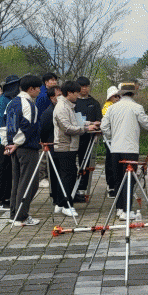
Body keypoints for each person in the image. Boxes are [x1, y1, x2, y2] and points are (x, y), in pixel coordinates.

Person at [100, 82, 148, 220]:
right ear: (133, 93)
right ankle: (127, 210)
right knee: (129, 180)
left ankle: (119, 208)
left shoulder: (112, 108)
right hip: (130, 149)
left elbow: (103, 126)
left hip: (115, 148)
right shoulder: (137, 107)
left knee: (118, 179)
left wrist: (112, 136)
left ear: (120, 93)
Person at [53, 80, 99, 217]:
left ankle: (60, 203)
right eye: (76, 93)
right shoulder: (62, 107)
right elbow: (67, 127)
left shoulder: (69, 105)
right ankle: (67, 205)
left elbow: (76, 121)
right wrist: (86, 129)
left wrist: (90, 123)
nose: (78, 96)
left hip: (70, 146)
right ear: (69, 93)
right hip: (64, 146)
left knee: (67, 175)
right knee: (68, 176)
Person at [5, 75, 43, 226]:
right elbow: (27, 128)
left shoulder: (12, 102)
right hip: (26, 148)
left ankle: (14, 215)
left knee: (18, 182)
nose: (40, 91)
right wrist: (16, 143)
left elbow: (6, 125)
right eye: (38, 88)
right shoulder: (29, 105)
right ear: (31, 89)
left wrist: (9, 144)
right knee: (29, 183)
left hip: (14, 148)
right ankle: (21, 216)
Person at [0, 75, 20, 211]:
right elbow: (1, 123)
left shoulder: (13, 99)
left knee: (10, 171)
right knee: (3, 170)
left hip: (12, 139)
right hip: (4, 140)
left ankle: (7, 197)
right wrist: (6, 141)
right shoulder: (2, 101)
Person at [74, 76, 102, 201]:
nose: (84, 89)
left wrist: (96, 125)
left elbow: (99, 120)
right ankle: (73, 186)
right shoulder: (73, 102)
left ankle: (83, 186)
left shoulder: (94, 103)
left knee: (85, 162)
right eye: (82, 86)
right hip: (74, 136)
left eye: (87, 86)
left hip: (88, 138)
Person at [36, 72, 60, 188]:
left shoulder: (54, 92)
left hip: (53, 127)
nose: (54, 82)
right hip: (45, 125)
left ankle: (49, 176)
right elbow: (40, 113)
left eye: (55, 80)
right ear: (46, 82)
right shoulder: (42, 95)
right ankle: (42, 177)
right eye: (52, 80)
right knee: (44, 153)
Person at [40, 85, 62, 210]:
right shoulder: (48, 113)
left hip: (61, 146)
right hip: (52, 146)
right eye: (59, 96)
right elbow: (43, 131)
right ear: (52, 98)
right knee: (54, 173)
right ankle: (56, 197)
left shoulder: (60, 109)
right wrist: (46, 143)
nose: (61, 98)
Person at [101, 85, 121, 198]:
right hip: (110, 140)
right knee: (110, 162)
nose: (117, 98)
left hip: (118, 139)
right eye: (115, 96)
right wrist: (111, 136)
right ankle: (111, 186)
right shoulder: (107, 107)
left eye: (119, 96)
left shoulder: (118, 106)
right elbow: (105, 125)